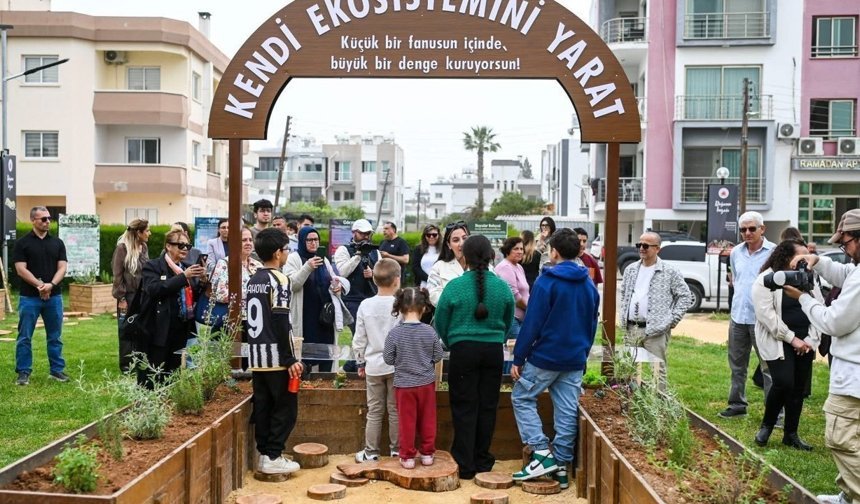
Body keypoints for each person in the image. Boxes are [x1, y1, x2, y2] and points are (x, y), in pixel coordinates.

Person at [510, 228, 600, 489]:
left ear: (554, 252)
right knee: (567, 410)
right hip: (574, 358)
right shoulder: (588, 285)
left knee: (521, 396)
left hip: (546, 357)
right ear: (578, 252)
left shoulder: (546, 282)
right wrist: (583, 355)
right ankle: (561, 467)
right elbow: (591, 325)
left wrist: (519, 357)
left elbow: (532, 323)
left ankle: (541, 453)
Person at [785, 209, 860, 504]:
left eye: (848, 243)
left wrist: (803, 298)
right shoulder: (857, 269)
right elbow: (847, 273)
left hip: (853, 373)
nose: (846, 250)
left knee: (840, 438)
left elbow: (833, 323)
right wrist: (819, 261)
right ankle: (849, 495)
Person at [434, 235, 515, 480]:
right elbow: (509, 318)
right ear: (491, 256)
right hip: (492, 352)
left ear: (464, 258)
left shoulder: (454, 287)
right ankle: (483, 459)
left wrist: (452, 342)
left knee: (463, 405)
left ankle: (464, 462)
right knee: (488, 405)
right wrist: (497, 338)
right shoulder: (501, 287)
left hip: (463, 350)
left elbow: (440, 321)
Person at [751, 239, 821, 451]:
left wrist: (810, 340)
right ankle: (767, 426)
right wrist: (792, 339)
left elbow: (819, 306)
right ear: (785, 256)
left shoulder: (808, 276)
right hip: (779, 340)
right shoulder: (767, 279)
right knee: (783, 383)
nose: (804, 260)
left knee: (798, 389)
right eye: (800, 256)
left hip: (805, 341)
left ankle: (791, 434)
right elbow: (767, 317)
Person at [246, 228, 304, 475]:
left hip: (257, 356)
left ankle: (264, 454)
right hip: (277, 358)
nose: (287, 253)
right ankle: (273, 455)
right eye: (286, 249)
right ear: (278, 253)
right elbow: (281, 320)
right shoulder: (280, 280)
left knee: (263, 406)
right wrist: (290, 358)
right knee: (286, 409)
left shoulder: (253, 280)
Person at [719, 211, 777, 418]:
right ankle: (737, 406)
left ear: (763, 229)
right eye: (743, 229)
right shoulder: (736, 252)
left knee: (769, 367)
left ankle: (774, 413)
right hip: (738, 318)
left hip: (763, 320)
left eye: (752, 228)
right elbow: (736, 279)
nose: (747, 233)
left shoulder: (774, 252)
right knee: (737, 365)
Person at [619, 231, 692, 391]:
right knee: (628, 369)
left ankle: (659, 408)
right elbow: (624, 293)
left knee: (657, 371)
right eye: (639, 245)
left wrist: (673, 319)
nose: (641, 248)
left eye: (646, 245)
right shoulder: (631, 269)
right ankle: (630, 404)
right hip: (632, 328)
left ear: (657, 248)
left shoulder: (669, 271)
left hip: (656, 330)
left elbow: (685, 296)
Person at [384, 287, 444, 469]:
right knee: (428, 419)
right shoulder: (429, 331)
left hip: (404, 385)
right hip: (426, 383)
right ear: (424, 308)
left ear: (400, 307)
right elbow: (438, 355)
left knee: (406, 421)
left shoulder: (394, 333)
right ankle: (427, 453)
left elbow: (388, 358)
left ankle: (408, 456)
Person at [138, 228, 207, 387]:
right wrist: (184, 277)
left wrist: (202, 280)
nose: (185, 249)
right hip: (159, 328)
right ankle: (150, 401)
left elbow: (194, 296)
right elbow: (154, 290)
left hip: (182, 327)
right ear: (168, 246)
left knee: (175, 372)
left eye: (187, 246)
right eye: (180, 245)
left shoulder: (187, 267)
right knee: (155, 371)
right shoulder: (153, 266)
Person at [352, 259, 402, 463]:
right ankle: (396, 450)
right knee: (395, 409)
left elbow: (359, 338)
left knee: (374, 410)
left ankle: (371, 452)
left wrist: (360, 362)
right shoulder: (400, 304)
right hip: (397, 365)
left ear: (373, 278)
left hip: (373, 366)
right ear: (397, 280)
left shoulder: (365, 305)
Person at [13, 206, 69, 386]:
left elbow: (62, 267)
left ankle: (57, 370)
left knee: (55, 336)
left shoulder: (58, 243)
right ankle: (23, 372)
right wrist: (40, 286)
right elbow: (21, 270)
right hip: (29, 298)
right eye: (43, 219)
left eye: (49, 219)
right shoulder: (22, 243)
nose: (47, 222)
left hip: (54, 297)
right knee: (24, 336)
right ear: (33, 220)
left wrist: (51, 285)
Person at [285, 226, 347, 373]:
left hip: (324, 317)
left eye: (316, 240)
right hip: (305, 315)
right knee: (305, 353)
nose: (314, 243)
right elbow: (292, 284)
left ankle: (325, 382)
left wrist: (337, 286)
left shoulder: (323, 259)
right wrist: (307, 267)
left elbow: (332, 279)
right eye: (309, 240)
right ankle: (306, 382)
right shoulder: (294, 258)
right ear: (302, 241)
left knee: (326, 351)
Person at [111, 219, 151, 373]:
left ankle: (139, 360)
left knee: (141, 328)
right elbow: (117, 276)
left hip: (143, 295)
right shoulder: (122, 249)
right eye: (147, 231)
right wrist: (121, 298)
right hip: (127, 296)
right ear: (138, 233)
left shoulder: (144, 247)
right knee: (126, 329)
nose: (149, 233)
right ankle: (126, 364)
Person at [334, 219, 380, 335]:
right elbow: (343, 272)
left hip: (372, 297)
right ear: (354, 232)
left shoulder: (375, 252)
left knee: (373, 334)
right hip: (352, 299)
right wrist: (358, 255)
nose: (365, 236)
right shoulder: (343, 250)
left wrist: (373, 273)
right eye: (362, 233)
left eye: (368, 234)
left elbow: (383, 273)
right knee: (358, 334)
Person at [495, 236, 529, 374]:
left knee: (518, 352)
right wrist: (531, 310)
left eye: (521, 249)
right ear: (508, 250)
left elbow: (525, 291)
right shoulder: (505, 267)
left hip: (522, 318)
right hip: (511, 318)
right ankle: (508, 382)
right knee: (513, 353)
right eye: (516, 249)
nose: (520, 252)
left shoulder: (519, 267)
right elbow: (514, 296)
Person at [209, 227, 262, 314]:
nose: (248, 243)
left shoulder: (258, 265)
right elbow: (220, 294)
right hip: (233, 317)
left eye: (250, 240)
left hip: (255, 317)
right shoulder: (224, 264)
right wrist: (251, 293)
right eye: (244, 240)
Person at [427, 221, 470, 307]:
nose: (461, 243)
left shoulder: (484, 265)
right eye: (456, 240)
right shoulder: (439, 267)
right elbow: (433, 295)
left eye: (465, 238)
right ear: (448, 245)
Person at [411, 224, 440, 289]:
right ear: (424, 236)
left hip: (440, 285)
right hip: (422, 286)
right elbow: (415, 267)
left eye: (434, 235)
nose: (431, 237)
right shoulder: (418, 249)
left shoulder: (444, 249)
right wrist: (429, 279)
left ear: (438, 235)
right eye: (428, 235)